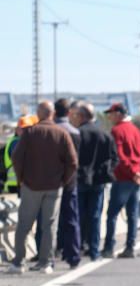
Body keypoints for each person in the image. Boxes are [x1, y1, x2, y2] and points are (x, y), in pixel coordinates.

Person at [6, 101, 78, 275]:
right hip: (54, 187)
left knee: (24, 225)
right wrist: (63, 180)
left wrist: (21, 178)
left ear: (38, 114)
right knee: (49, 226)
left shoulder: (30, 133)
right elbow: (73, 162)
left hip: (31, 186)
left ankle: (18, 263)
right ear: (52, 114)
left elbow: (16, 158)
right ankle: (46, 263)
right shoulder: (62, 134)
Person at [102, 103, 140, 259]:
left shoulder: (117, 131)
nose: (109, 117)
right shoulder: (137, 131)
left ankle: (109, 247)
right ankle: (130, 246)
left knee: (112, 214)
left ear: (118, 114)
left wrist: (134, 173)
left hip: (124, 178)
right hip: (136, 179)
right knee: (132, 214)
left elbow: (120, 157)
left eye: (111, 113)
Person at [74, 103, 116, 262]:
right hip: (98, 181)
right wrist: (107, 171)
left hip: (81, 180)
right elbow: (114, 158)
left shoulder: (78, 134)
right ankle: (94, 250)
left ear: (82, 116)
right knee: (95, 216)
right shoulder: (104, 135)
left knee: (79, 216)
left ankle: (78, 248)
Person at [53, 98, 82, 268]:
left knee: (49, 220)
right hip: (70, 182)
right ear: (69, 112)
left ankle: (49, 256)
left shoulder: (51, 131)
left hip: (50, 182)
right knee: (71, 219)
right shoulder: (75, 132)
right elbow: (75, 160)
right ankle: (73, 255)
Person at [2, 115, 38, 194]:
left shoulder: (22, 141)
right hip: (15, 186)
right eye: (24, 129)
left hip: (21, 184)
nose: (27, 131)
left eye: (28, 129)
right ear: (17, 130)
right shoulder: (16, 142)